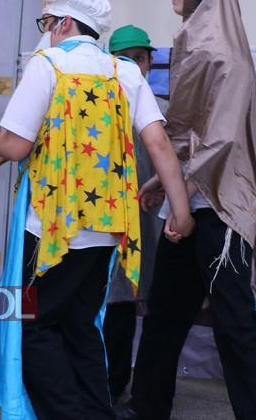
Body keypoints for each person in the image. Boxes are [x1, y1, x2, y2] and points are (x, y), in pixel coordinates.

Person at [0, 0, 193, 420]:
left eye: (47, 21)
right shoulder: (124, 72)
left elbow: (16, 145)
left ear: (64, 22)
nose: (46, 30)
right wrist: (181, 211)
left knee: (29, 326)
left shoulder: (48, 65)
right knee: (81, 325)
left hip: (51, 229)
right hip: (107, 230)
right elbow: (159, 144)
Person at [116, 0, 256, 420]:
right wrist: (164, 182)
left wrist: (180, 196)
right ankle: (146, 407)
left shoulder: (226, 55)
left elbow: (222, 141)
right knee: (165, 314)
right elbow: (192, 135)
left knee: (234, 326)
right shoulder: (195, 45)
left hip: (222, 209)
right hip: (190, 201)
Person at [103, 24, 165, 402]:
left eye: (138, 58)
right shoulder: (97, 110)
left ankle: (141, 389)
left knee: (153, 300)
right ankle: (110, 384)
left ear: (150, 62)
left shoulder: (162, 111)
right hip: (108, 224)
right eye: (122, 59)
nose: (131, 66)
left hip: (150, 222)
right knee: (116, 303)